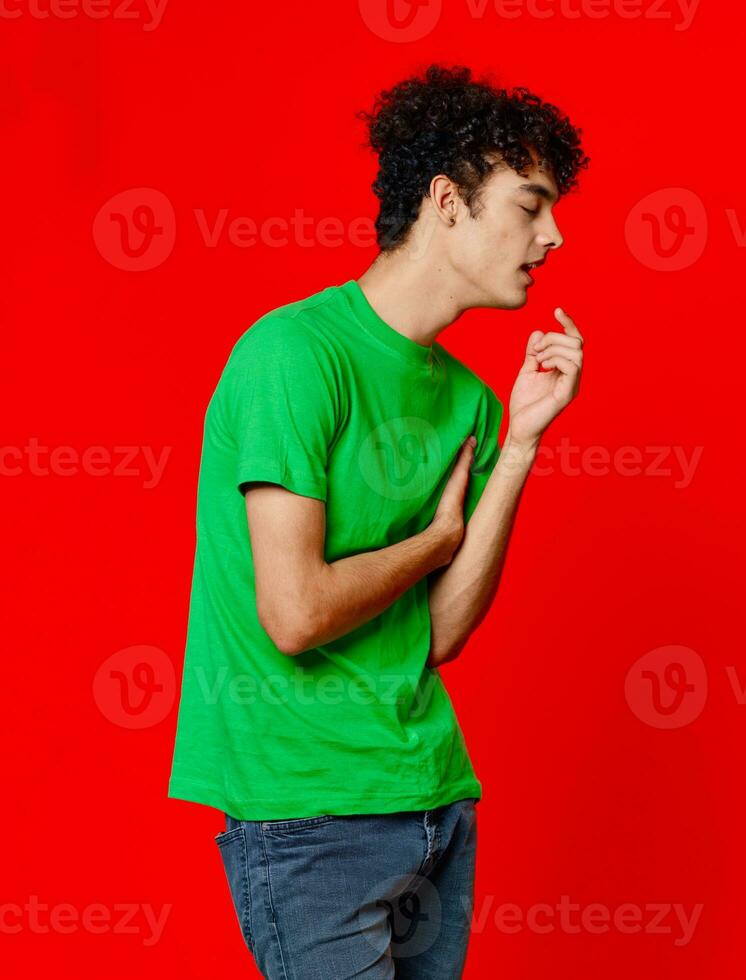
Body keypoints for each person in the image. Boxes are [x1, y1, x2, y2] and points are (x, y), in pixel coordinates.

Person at [166, 63, 589, 978]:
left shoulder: (472, 404)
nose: (552, 236)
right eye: (531, 205)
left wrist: (519, 447)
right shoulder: (295, 356)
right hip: (311, 815)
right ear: (447, 200)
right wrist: (435, 540)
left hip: (435, 801)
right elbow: (296, 613)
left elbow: (437, 636)